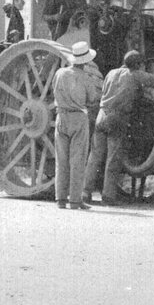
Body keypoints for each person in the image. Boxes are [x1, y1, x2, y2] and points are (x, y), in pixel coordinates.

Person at [82, 50, 154, 206]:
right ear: (137, 65)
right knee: (113, 159)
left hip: (101, 116)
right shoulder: (135, 75)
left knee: (94, 156)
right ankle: (108, 196)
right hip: (117, 118)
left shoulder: (111, 73)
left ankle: (85, 192)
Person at [52, 41, 102, 210]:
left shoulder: (60, 73)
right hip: (78, 118)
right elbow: (92, 98)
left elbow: (54, 90)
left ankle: (60, 199)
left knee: (61, 160)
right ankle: (75, 200)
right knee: (77, 161)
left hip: (61, 117)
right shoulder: (86, 78)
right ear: (86, 61)